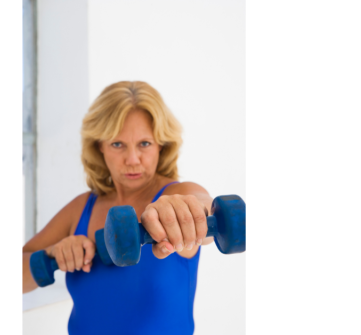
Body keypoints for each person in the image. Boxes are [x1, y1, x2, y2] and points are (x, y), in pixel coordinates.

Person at [22, 81, 216, 335]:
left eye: (144, 144)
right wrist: (53, 254)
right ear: (99, 146)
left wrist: (186, 210)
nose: (132, 159)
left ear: (161, 144)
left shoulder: (177, 194)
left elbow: (204, 207)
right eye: (117, 144)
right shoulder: (81, 208)